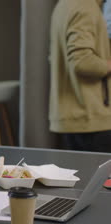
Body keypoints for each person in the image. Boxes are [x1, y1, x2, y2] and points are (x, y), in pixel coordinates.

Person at [49, 0, 111, 152]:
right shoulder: (86, 7)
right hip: (90, 117)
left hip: (74, 116)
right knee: (98, 175)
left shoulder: (65, 4)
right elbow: (81, 61)